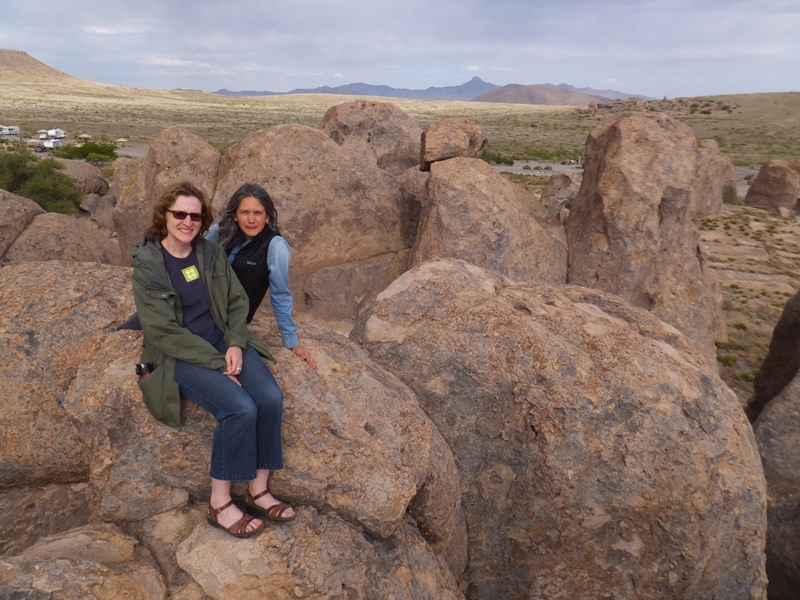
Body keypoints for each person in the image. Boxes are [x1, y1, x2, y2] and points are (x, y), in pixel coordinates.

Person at [132, 181, 295, 539]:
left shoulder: (208, 252)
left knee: (269, 397)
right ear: (165, 216)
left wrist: (235, 343)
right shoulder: (149, 263)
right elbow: (162, 332)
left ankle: (258, 488)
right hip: (181, 353)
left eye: (195, 215)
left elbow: (237, 302)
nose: (187, 222)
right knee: (240, 407)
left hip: (223, 339)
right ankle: (219, 502)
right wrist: (217, 363)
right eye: (180, 214)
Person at [206, 183, 317, 370]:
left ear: (267, 217)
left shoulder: (276, 246)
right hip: (202, 307)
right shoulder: (218, 233)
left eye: (257, 213)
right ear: (234, 215)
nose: (251, 219)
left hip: (232, 320)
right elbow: (191, 263)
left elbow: (280, 294)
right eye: (244, 213)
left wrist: (291, 341)